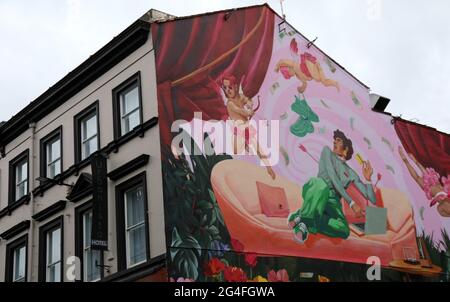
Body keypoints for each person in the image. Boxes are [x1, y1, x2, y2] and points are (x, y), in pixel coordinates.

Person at [288, 130, 376, 243]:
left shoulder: (352, 173)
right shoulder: (327, 152)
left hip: (333, 203)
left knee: (344, 230)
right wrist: (352, 203)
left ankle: (302, 216)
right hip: (317, 193)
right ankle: (305, 224)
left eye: (338, 140)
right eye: (334, 139)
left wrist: (368, 179)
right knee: (321, 185)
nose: (334, 141)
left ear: (346, 148)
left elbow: (372, 198)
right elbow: (334, 179)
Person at [221, 75, 276, 180]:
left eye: (230, 87)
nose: (227, 90)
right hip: (238, 130)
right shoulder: (230, 103)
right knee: (237, 153)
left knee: (257, 147)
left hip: (245, 128)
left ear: (236, 87)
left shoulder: (240, 97)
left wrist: (250, 103)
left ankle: (269, 168)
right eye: (225, 88)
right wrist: (248, 112)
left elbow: (247, 100)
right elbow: (241, 111)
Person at [398, 147, 450, 217]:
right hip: (434, 183)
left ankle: (406, 161)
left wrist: (442, 202)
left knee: (417, 178)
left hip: (430, 190)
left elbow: (439, 209)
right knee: (422, 173)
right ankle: (412, 160)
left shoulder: (445, 210)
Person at [275, 53, 340, 94]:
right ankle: (334, 83)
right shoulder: (298, 76)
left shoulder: (293, 64)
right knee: (324, 82)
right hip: (313, 70)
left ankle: (323, 64)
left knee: (317, 78)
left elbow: (282, 61)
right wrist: (301, 89)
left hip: (308, 63)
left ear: (288, 68)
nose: (292, 75)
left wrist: (277, 67)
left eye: (289, 74)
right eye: (290, 76)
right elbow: (304, 83)